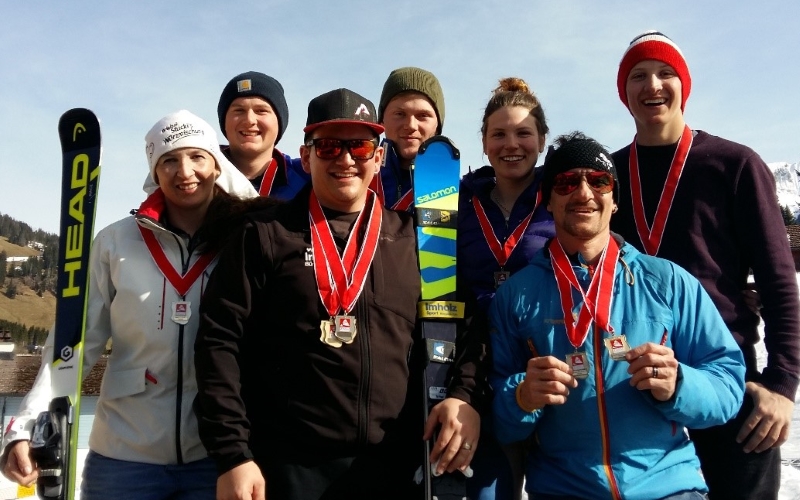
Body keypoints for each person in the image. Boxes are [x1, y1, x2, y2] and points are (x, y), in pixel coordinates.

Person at [193, 88, 486, 500]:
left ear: (379, 157)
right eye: (329, 146)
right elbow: (219, 344)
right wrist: (233, 455)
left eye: (360, 147)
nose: (345, 159)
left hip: (394, 467)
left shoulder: (416, 241)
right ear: (306, 155)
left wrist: (464, 397)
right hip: (288, 468)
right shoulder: (265, 235)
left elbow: (466, 328)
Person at [0, 110, 258, 499]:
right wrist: (26, 423)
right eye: (168, 160)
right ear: (154, 172)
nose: (184, 171)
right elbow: (74, 343)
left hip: (216, 457)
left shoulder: (246, 239)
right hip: (124, 459)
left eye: (197, 157)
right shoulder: (115, 242)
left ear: (217, 166)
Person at [489, 131, 746, 500]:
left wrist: (680, 384)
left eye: (599, 181)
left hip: (668, 489)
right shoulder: (515, 296)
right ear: (547, 200)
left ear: (614, 201)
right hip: (565, 491)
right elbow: (496, 417)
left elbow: (728, 385)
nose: (583, 193)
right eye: (565, 182)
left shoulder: (669, 282)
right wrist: (522, 397)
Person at [611, 31, 800, 499]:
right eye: (638, 75)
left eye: (665, 73)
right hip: (633, 387)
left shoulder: (734, 165)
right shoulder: (606, 178)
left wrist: (781, 383)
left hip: (726, 382)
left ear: (685, 85)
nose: (652, 85)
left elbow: (778, 282)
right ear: (624, 92)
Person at [457, 76, 555, 500]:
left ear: (542, 140)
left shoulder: (562, 195)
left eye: (523, 133)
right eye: (498, 134)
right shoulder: (461, 201)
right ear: (483, 142)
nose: (511, 144)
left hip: (547, 359)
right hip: (480, 365)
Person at [217, 70, 309, 199]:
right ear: (224, 122)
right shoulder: (201, 174)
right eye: (239, 110)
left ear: (279, 121)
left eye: (261, 111)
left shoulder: (308, 175)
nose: (249, 120)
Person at [372, 66, 444, 211]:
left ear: (437, 126)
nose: (411, 125)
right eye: (399, 114)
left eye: (423, 115)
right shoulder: (357, 179)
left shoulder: (459, 193)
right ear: (381, 121)